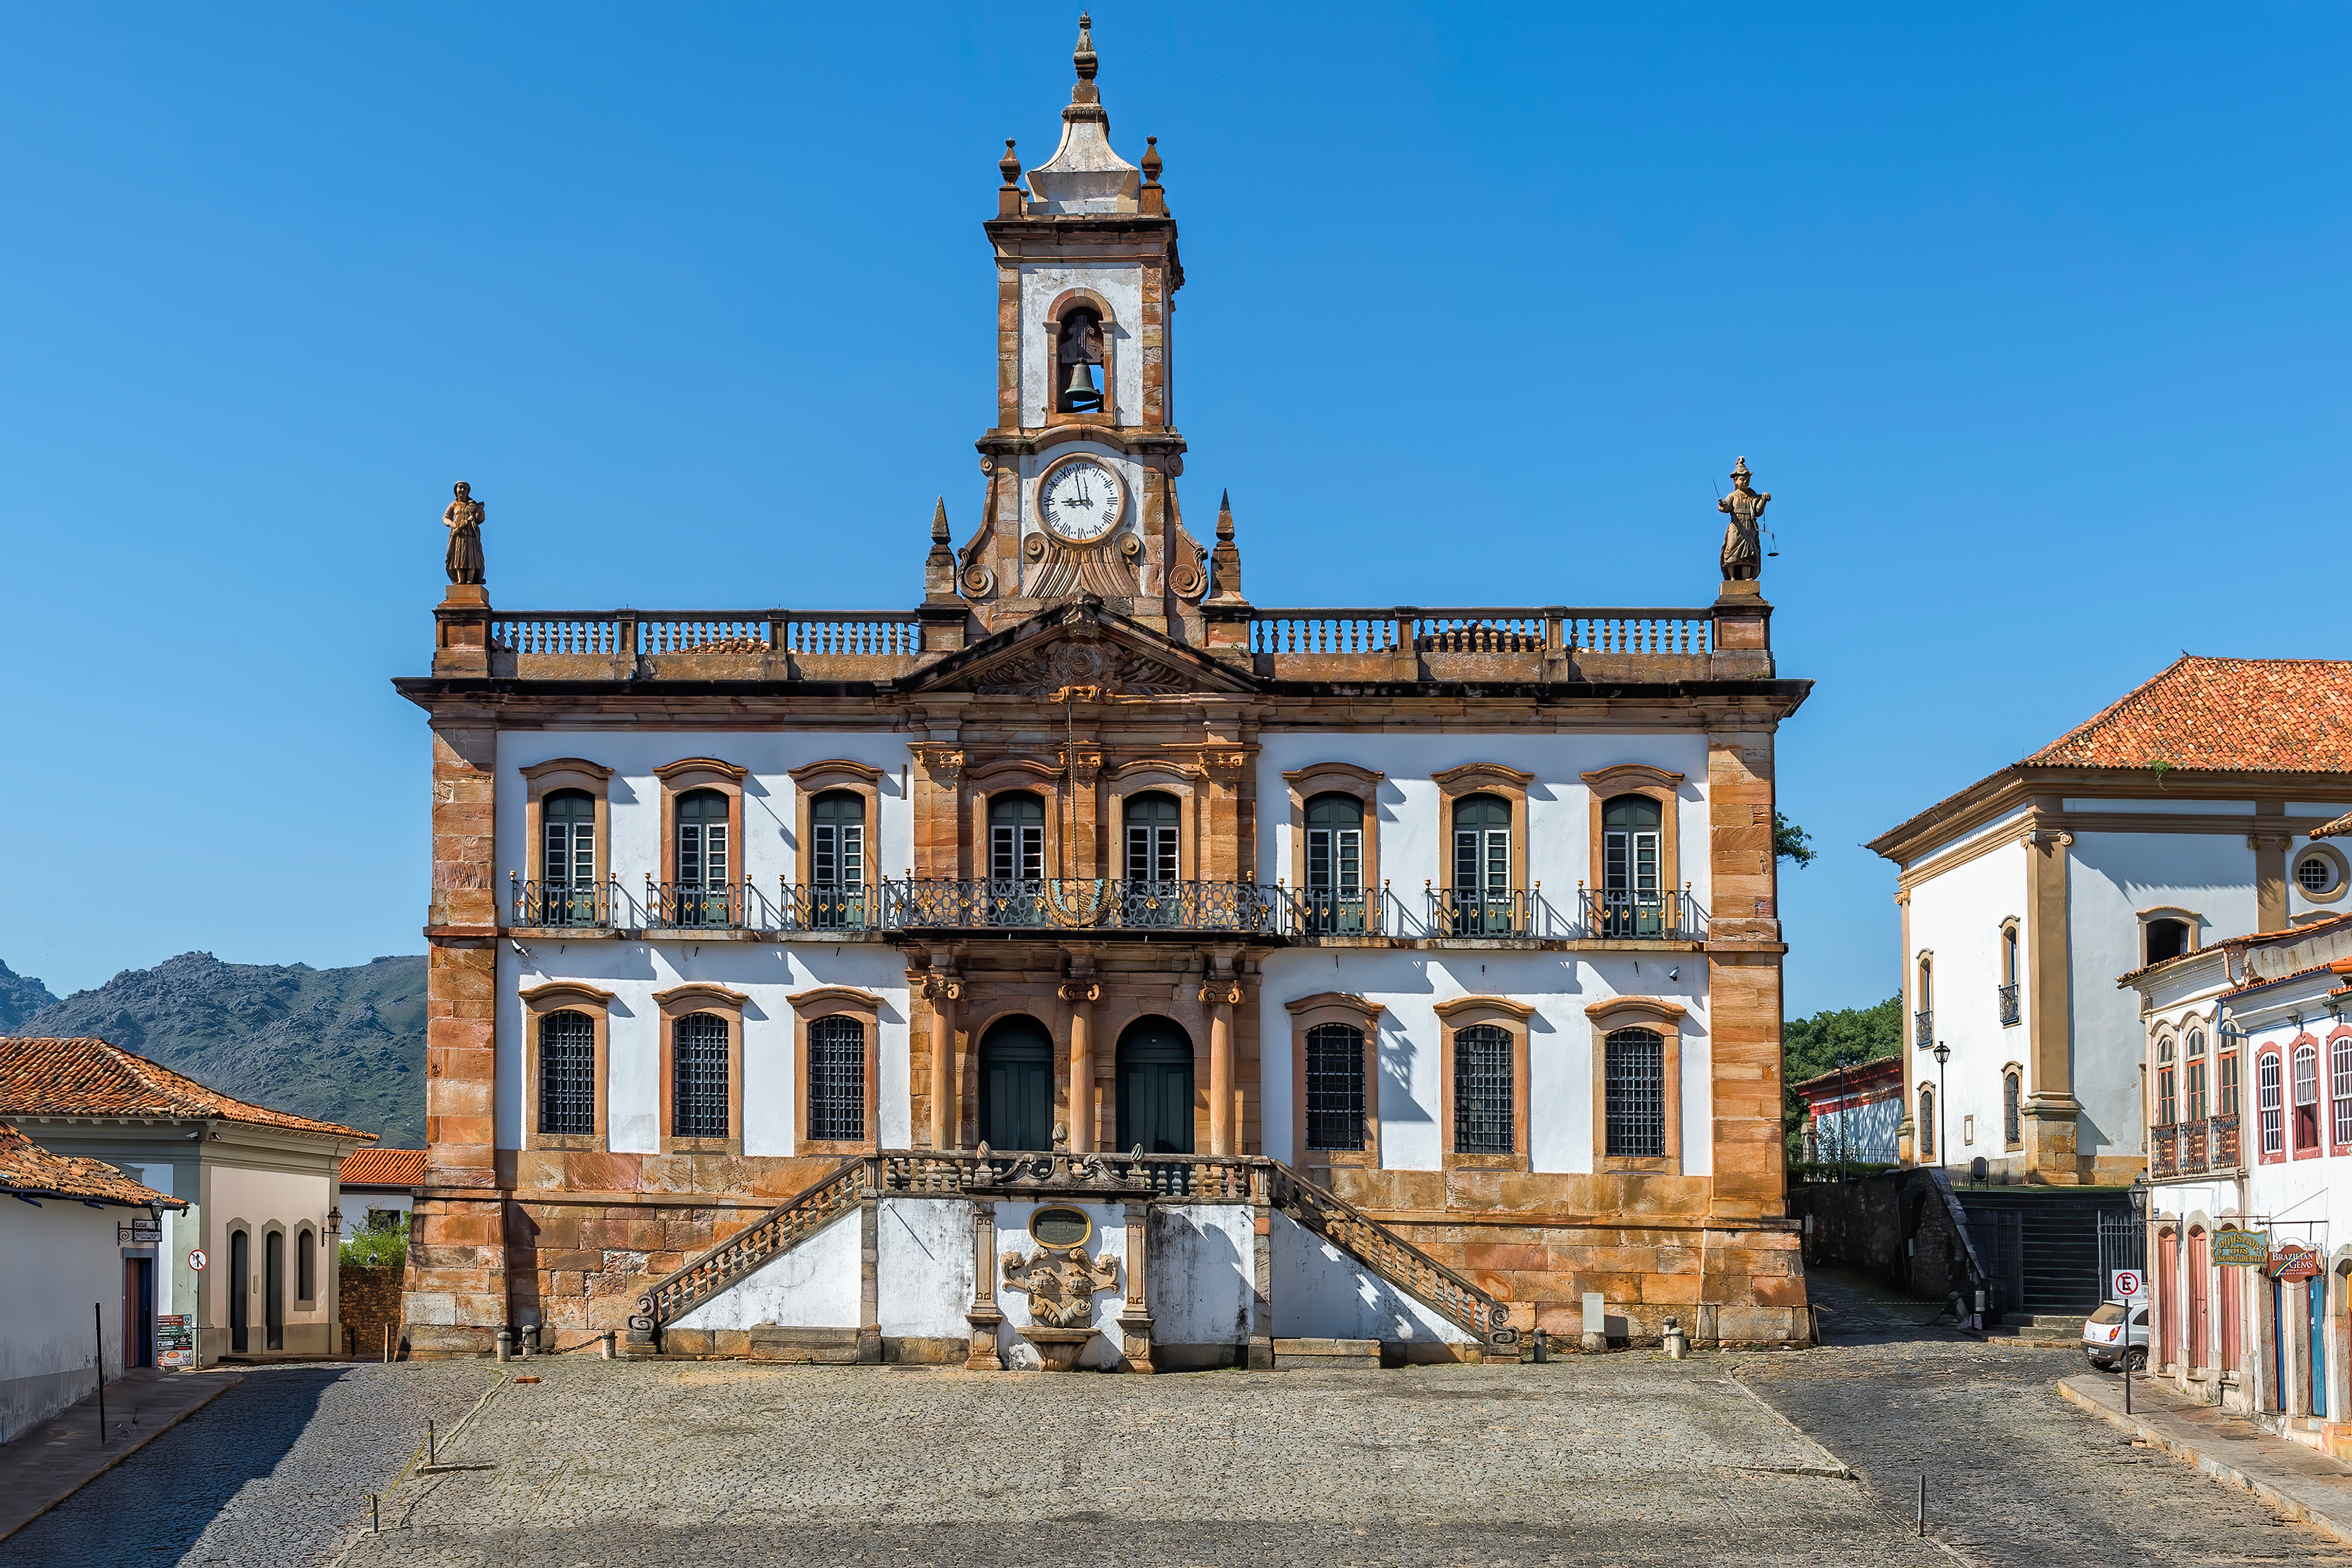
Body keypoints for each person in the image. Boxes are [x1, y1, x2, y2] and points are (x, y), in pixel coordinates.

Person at [443, 481, 486, 585]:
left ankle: (470, 580)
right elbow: (446, 518)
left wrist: (477, 514)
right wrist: (452, 524)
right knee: (458, 559)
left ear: (468, 491)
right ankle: (460, 580)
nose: (461, 490)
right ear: (456, 491)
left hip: (470, 535)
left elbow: (480, 518)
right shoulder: (454, 505)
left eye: (464, 488)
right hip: (458, 536)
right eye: (459, 488)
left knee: (471, 559)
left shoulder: (472, 505)